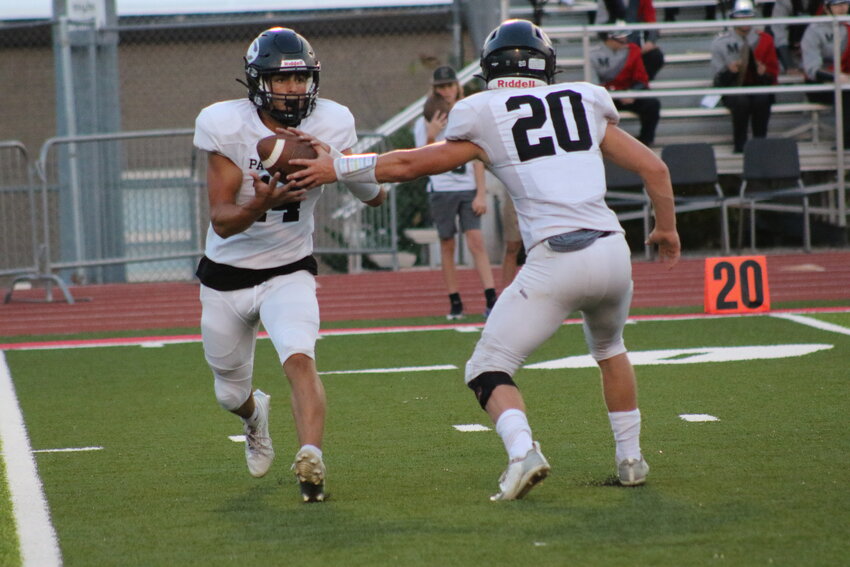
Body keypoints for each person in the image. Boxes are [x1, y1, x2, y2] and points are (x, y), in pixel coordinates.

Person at [289, 19, 681, 501]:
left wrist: (339, 166)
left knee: (487, 368)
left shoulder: (483, 111)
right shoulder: (583, 100)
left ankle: (523, 453)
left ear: (491, 67)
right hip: (612, 252)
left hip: (556, 260)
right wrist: (665, 228)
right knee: (609, 349)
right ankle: (630, 459)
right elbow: (654, 168)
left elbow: (410, 164)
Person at [192, 27, 385, 503]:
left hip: (289, 269)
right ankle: (254, 414)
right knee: (227, 394)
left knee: (299, 358)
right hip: (226, 277)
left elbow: (376, 195)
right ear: (258, 82)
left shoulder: (333, 121)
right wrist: (262, 203)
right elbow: (221, 222)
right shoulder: (227, 125)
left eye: (300, 80)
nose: (294, 90)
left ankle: (311, 459)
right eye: (282, 80)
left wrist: (336, 161)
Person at [413, 65, 497, 319]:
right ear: (434, 90)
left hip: (467, 187)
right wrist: (431, 136)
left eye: (450, 85)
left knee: (476, 241)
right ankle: (455, 301)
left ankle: (491, 298)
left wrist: (481, 193)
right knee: (447, 244)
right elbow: (420, 160)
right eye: (441, 87)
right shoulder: (424, 121)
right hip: (441, 189)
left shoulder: (468, 113)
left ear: (457, 86)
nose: (447, 90)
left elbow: (477, 157)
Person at [710, 0, 779, 153]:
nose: (745, 20)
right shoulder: (720, 42)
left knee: (762, 99)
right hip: (733, 87)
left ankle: (761, 145)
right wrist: (730, 71)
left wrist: (764, 72)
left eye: (748, 16)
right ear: (733, 18)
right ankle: (740, 145)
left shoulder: (765, 39)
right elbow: (717, 77)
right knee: (740, 101)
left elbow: (773, 73)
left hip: (758, 85)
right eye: (740, 17)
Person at [591, 26, 661, 146]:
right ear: (610, 38)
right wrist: (614, 94)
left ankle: (645, 141)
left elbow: (641, 77)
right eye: (621, 36)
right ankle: (597, 142)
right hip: (606, 96)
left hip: (628, 93)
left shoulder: (632, 50)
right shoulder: (593, 54)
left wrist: (632, 92)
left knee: (652, 104)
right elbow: (593, 84)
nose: (625, 39)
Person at [801, 0, 850, 148]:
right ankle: (846, 141)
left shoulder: (848, 26)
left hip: (847, 80)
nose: (842, 8)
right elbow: (812, 69)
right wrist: (836, 77)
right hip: (820, 83)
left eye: (845, 3)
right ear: (827, 8)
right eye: (837, 5)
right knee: (847, 93)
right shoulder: (814, 31)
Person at [596, 0, 665, 80]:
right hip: (613, 45)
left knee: (655, 55)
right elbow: (600, 29)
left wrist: (650, 42)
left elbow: (652, 23)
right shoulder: (604, 2)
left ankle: (640, 84)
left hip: (635, 46)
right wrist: (615, 41)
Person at [770, 0, 822, 73]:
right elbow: (779, 34)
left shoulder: (825, 3)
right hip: (790, 52)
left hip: (817, 51)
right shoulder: (784, 2)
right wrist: (789, 65)